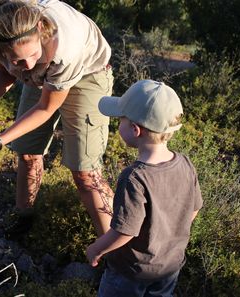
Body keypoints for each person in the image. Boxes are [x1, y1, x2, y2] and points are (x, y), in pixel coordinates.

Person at [0, 0, 114, 237]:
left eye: (33, 54)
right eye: (18, 61)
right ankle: (23, 218)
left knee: (85, 172)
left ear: (41, 31)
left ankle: (116, 248)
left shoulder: (66, 46)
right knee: (27, 152)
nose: (29, 64)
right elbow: (5, 70)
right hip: (45, 74)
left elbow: (45, 108)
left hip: (87, 72)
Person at [86, 79, 203, 297]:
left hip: (131, 272)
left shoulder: (134, 177)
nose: (117, 124)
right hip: (169, 267)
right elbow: (194, 209)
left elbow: (124, 231)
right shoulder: (185, 164)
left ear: (135, 129)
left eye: (120, 119)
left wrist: (97, 249)